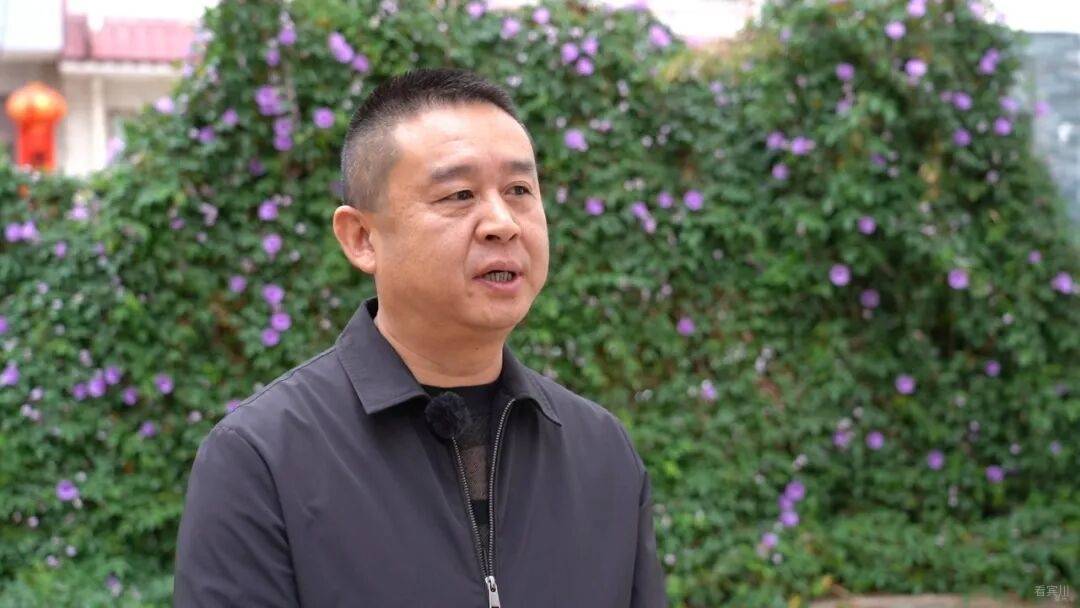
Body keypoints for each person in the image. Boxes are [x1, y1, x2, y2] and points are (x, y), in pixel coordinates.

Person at [173, 67, 667, 607]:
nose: (502, 222)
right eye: (459, 194)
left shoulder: (602, 453)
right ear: (362, 238)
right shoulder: (262, 458)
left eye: (519, 190)